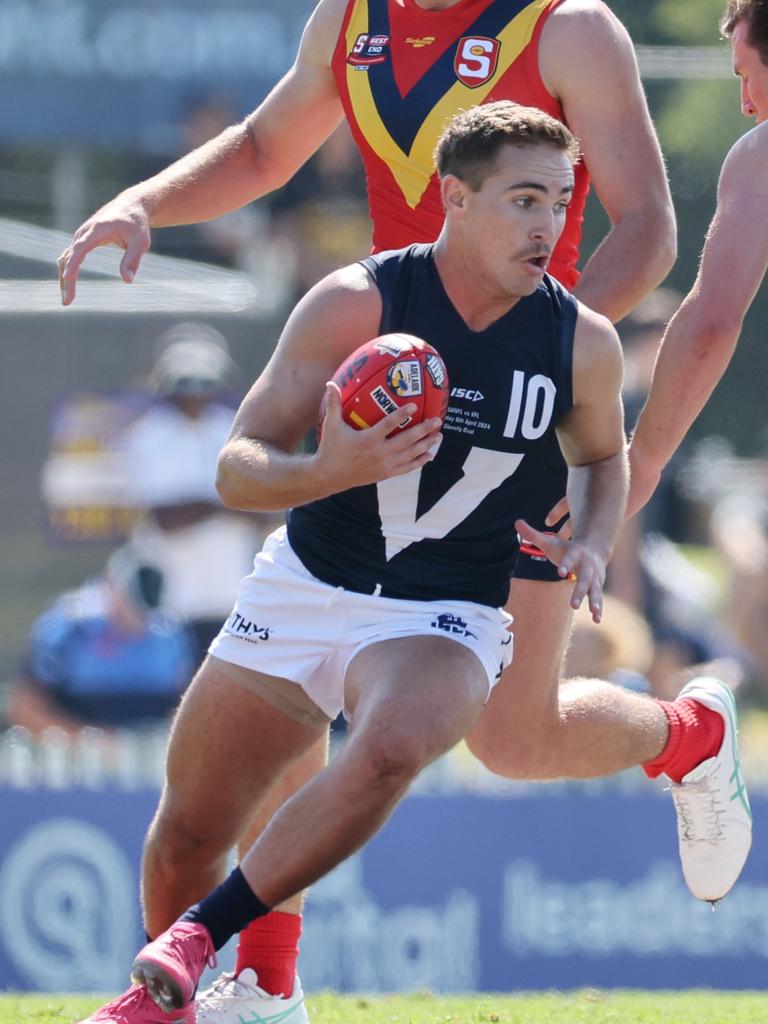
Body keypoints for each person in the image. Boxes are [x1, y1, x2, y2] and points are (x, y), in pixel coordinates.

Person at [58, 4, 678, 1016]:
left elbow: (648, 230)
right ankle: (265, 988)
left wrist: (532, 361)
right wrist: (143, 202)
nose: (545, 219)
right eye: (524, 201)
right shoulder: (351, 21)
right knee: (218, 796)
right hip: (384, 398)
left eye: (549, 204)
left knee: (510, 741)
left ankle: (681, 733)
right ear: (457, 197)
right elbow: (265, 146)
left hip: (507, 426)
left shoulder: (567, 27)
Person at [628, 0, 768, 515]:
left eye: (745, 75)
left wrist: (640, 462)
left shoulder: (762, 155)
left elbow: (711, 324)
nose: (745, 105)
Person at [122, 324, 275, 664]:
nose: (195, 394)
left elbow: (265, 506)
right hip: (171, 606)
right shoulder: (149, 435)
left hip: (235, 598)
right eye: (186, 384)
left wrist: (206, 504)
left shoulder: (234, 429)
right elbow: (166, 519)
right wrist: (226, 503)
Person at [7, 547, 195, 734]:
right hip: (78, 755)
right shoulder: (70, 630)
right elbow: (23, 707)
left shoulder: (170, 635)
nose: (139, 619)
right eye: (131, 607)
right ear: (110, 587)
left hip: (146, 753)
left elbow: (188, 701)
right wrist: (88, 742)